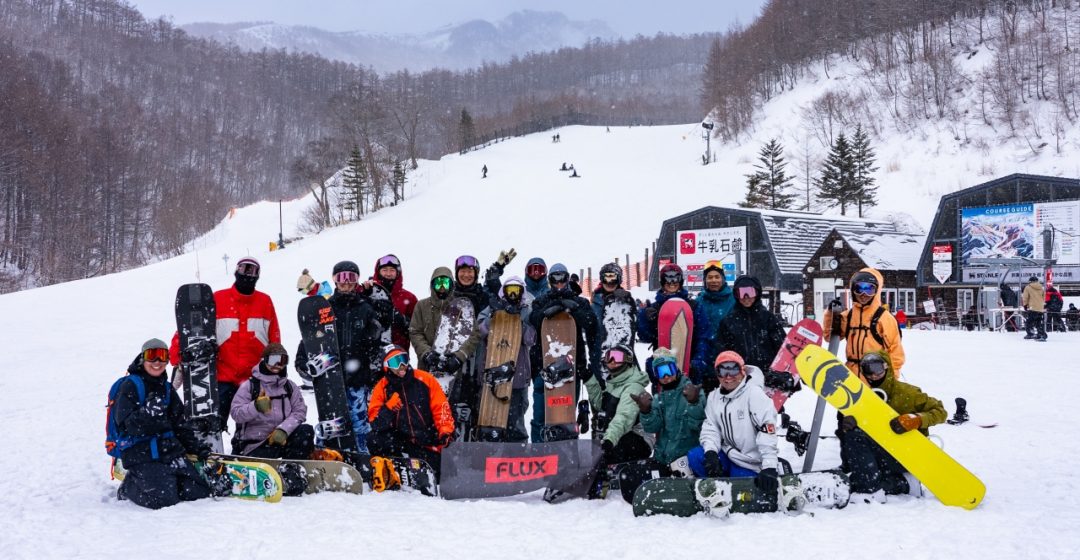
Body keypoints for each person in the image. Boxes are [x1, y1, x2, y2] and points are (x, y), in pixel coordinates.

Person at [170, 257, 281, 432]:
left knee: (252, 428)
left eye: (253, 271)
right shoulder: (218, 299)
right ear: (236, 271)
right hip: (221, 377)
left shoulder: (264, 302)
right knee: (213, 425)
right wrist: (177, 356)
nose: (248, 274)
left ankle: (247, 451)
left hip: (253, 379)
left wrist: (277, 368)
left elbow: (274, 337)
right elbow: (190, 330)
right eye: (244, 269)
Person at [115, 339, 214, 509]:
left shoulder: (167, 389)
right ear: (143, 358)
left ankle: (168, 483)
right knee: (163, 500)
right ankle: (129, 485)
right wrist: (146, 413)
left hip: (169, 451)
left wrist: (197, 448)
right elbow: (125, 426)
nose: (157, 362)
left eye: (162, 356)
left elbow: (180, 426)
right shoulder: (130, 385)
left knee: (198, 492)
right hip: (142, 454)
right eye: (152, 356)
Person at [296, 261, 384, 453]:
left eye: (351, 278)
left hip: (357, 378)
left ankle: (363, 459)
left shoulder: (365, 308)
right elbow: (310, 337)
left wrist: (374, 336)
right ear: (335, 281)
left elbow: (377, 341)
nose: (346, 283)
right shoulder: (326, 307)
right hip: (331, 380)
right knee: (330, 423)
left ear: (357, 281)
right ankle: (326, 457)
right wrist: (302, 360)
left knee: (359, 423)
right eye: (341, 278)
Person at [839, 351, 946, 501]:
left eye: (877, 369)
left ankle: (874, 489)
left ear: (886, 367)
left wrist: (917, 419)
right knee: (853, 440)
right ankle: (904, 483)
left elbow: (940, 411)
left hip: (910, 453)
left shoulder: (907, 392)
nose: (873, 375)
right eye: (867, 370)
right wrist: (851, 424)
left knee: (863, 480)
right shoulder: (866, 396)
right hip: (887, 452)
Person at [688, 351, 779, 498]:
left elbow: (767, 431)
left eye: (733, 369)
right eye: (722, 371)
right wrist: (711, 452)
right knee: (696, 457)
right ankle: (716, 489)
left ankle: (741, 484)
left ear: (742, 371)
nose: (728, 376)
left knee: (740, 486)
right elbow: (711, 427)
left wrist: (769, 466)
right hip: (728, 453)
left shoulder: (753, 394)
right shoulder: (714, 397)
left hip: (750, 461)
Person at [528, 263, 601, 441]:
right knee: (541, 416)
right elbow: (533, 320)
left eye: (562, 278)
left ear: (568, 279)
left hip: (571, 369)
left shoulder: (580, 301)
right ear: (550, 280)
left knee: (566, 416)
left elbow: (591, 324)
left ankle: (566, 453)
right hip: (544, 366)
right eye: (555, 278)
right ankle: (539, 452)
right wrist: (549, 310)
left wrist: (574, 309)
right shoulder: (542, 300)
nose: (559, 282)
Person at [368, 346, 455, 477]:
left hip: (426, 439)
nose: (401, 366)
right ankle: (390, 467)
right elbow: (375, 423)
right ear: (386, 367)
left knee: (442, 474)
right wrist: (388, 408)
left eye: (403, 359)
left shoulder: (425, 379)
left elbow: (441, 409)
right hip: (402, 441)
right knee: (374, 439)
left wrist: (445, 432)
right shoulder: (382, 387)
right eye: (395, 363)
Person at [230, 343, 314, 460]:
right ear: (264, 360)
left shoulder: (289, 386)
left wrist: (284, 430)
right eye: (273, 360)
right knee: (262, 456)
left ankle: (294, 467)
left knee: (306, 431)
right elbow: (236, 413)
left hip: (281, 440)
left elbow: (299, 411)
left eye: (282, 361)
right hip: (256, 445)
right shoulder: (250, 386)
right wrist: (256, 406)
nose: (277, 365)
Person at [476, 276, 535, 442]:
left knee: (515, 423)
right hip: (492, 372)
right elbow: (479, 331)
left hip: (517, 376)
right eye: (510, 291)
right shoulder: (492, 308)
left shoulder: (526, 311)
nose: (513, 295)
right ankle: (491, 455)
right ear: (504, 292)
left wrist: (519, 321)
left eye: (517, 291)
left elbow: (531, 339)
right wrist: (494, 315)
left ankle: (517, 454)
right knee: (491, 420)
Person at [823, 268, 905, 376]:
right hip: (851, 377)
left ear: (876, 292)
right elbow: (830, 337)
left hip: (875, 377)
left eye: (869, 289)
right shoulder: (848, 316)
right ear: (853, 290)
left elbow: (895, 353)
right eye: (859, 288)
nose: (863, 294)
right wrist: (831, 314)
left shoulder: (884, 318)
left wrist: (889, 380)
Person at [633, 348, 705, 468]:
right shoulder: (659, 398)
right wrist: (646, 411)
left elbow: (699, 425)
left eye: (669, 370)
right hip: (662, 458)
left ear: (676, 369)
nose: (666, 376)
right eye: (661, 372)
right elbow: (652, 427)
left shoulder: (692, 392)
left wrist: (694, 403)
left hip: (686, 460)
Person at [712, 275, 786, 391]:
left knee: (767, 409)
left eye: (750, 292)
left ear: (757, 293)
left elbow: (782, 348)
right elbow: (722, 351)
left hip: (768, 378)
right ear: (736, 295)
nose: (746, 297)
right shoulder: (728, 322)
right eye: (741, 293)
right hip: (739, 378)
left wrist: (783, 375)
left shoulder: (768, 319)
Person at [584, 344, 652, 465]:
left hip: (639, 439)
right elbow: (601, 406)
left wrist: (609, 440)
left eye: (617, 357)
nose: (612, 361)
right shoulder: (615, 382)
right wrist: (589, 379)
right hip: (621, 434)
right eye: (608, 357)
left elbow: (624, 416)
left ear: (628, 360)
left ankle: (615, 475)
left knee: (614, 445)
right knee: (602, 445)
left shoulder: (633, 387)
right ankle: (604, 473)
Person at [690, 262, 735, 385]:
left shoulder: (734, 300)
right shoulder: (698, 302)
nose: (713, 280)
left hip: (728, 360)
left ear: (723, 279)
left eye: (717, 277)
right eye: (709, 277)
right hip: (704, 359)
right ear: (705, 281)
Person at [522, 257, 550, 442]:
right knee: (519, 400)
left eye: (540, 270)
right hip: (523, 352)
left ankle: (541, 442)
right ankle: (521, 441)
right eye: (533, 270)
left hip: (543, 351)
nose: (536, 274)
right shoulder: (521, 293)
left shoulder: (550, 292)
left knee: (542, 401)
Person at [367, 254, 417, 352]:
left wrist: (398, 318)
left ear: (398, 273)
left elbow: (416, 329)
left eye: (392, 270)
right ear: (378, 271)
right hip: (370, 354)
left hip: (398, 357)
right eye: (385, 270)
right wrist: (366, 296)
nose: (388, 274)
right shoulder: (366, 292)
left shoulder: (409, 298)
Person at [590, 263, 638, 362]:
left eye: (614, 279)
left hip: (623, 357)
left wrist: (628, 303)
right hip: (601, 357)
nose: (610, 283)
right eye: (606, 278)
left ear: (619, 280)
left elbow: (636, 326)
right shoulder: (594, 306)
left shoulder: (627, 302)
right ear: (601, 279)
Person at [1022, 276, 1047, 341]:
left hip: (1032, 307)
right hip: (1040, 308)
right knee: (1038, 322)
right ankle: (1040, 334)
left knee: (1029, 322)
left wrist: (1025, 305)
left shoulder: (1028, 287)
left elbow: (1025, 297)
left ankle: (1030, 334)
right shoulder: (1041, 288)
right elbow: (1044, 297)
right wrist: (1042, 305)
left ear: (1030, 281)